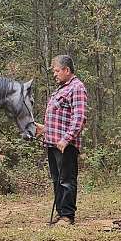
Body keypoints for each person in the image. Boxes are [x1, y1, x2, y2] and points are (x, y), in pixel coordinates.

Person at [35, 55, 88, 225]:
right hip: (52, 143)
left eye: (57, 71)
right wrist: (44, 128)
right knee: (57, 179)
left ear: (67, 70)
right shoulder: (60, 89)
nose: (55, 74)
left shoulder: (76, 87)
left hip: (65, 145)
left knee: (66, 179)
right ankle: (61, 212)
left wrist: (66, 139)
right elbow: (60, 118)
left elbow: (79, 118)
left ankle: (67, 216)